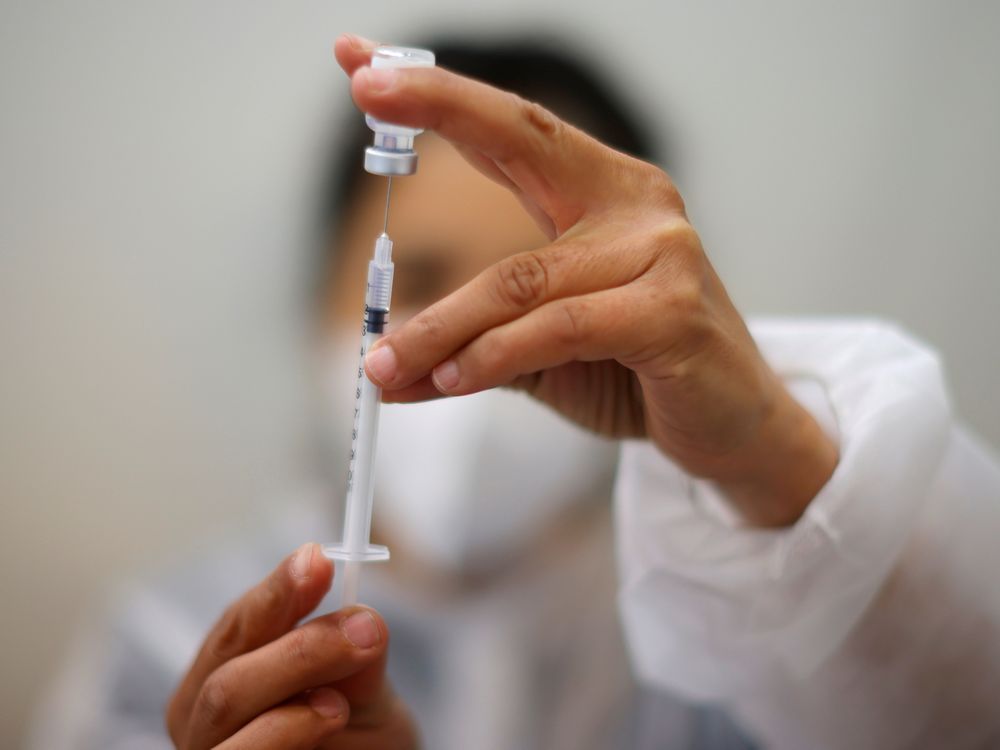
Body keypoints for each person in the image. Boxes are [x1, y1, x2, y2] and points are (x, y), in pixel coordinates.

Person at [32, 33, 1000, 750]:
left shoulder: (743, 661)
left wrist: (772, 458)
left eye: (548, 289)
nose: (480, 344)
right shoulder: (161, 652)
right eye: (417, 282)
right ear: (315, 308)